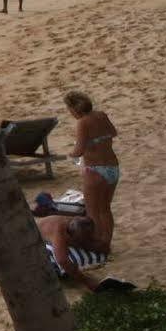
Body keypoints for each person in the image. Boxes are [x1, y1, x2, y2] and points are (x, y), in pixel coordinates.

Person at [66, 90, 120, 250]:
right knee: (105, 209)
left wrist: (71, 153)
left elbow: (79, 150)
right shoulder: (101, 115)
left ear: (73, 109)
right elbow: (113, 132)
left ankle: (97, 243)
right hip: (113, 167)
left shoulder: (83, 122)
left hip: (95, 170)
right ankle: (107, 243)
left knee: (92, 211)